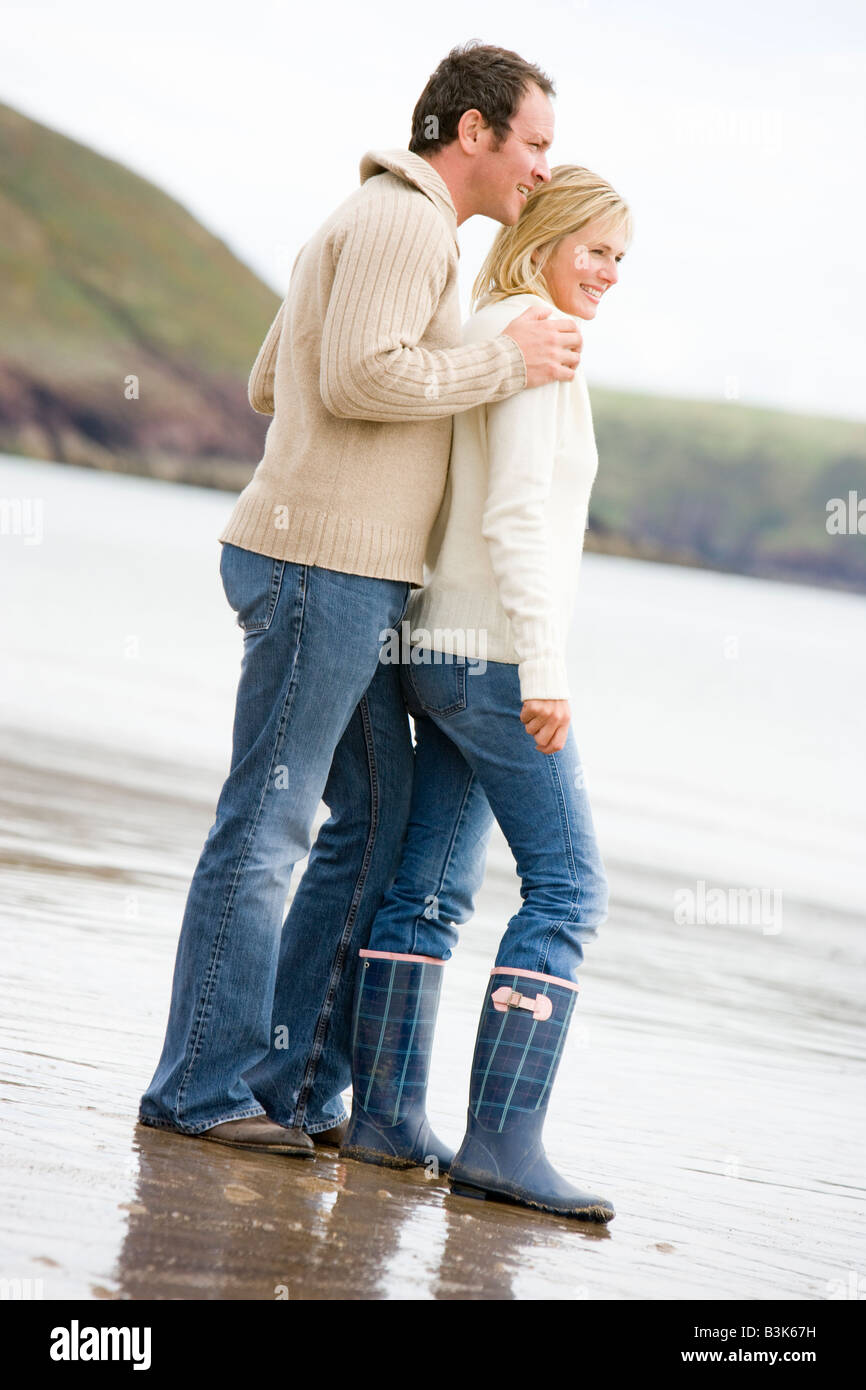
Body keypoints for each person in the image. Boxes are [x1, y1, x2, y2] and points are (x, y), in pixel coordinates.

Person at [137, 43, 586, 1155]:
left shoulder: (373, 219)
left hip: (341, 567)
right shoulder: (402, 222)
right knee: (270, 824)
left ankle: (288, 1081)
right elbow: (350, 378)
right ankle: (200, 1090)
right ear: (471, 132)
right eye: (532, 142)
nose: (540, 167)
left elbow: (269, 380)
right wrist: (503, 364)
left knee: (371, 822)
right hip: (317, 567)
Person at [339, 165, 632, 1222]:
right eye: (595, 247)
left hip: (434, 646)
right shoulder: (536, 341)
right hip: (497, 657)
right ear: (548, 235)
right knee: (566, 889)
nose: (606, 272)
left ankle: (382, 1120)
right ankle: (502, 1143)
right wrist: (545, 672)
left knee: (427, 885)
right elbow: (514, 519)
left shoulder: (482, 324)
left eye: (619, 258)